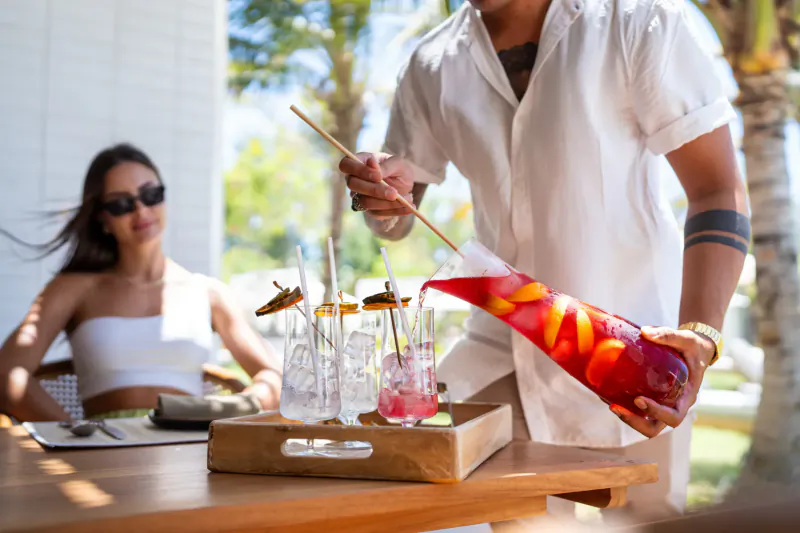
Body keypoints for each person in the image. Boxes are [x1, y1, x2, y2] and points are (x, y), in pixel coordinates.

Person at [340, 0, 748, 525]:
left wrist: (701, 333)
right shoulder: (430, 62)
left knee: (644, 524)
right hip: (503, 348)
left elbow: (717, 189)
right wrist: (378, 198)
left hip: (640, 353)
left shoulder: (639, 20)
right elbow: (396, 217)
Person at [0, 143, 282, 422]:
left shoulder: (207, 292)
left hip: (193, 450)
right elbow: (6, 374)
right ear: (102, 218)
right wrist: (72, 434)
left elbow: (275, 378)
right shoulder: (73, 289)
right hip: (103, 456)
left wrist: (225, 413)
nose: (141, 209)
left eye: (151, 194)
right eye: (121, 203)